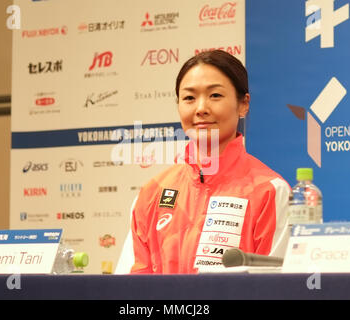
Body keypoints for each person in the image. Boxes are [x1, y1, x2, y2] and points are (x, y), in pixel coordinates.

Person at [117, 50, 291, 274]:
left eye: (215, 96)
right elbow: (128, 287)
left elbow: (276, 286)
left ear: (243, 104)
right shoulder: (152, 193)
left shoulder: (270, 191)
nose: (201, 108)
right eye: (189, 98)